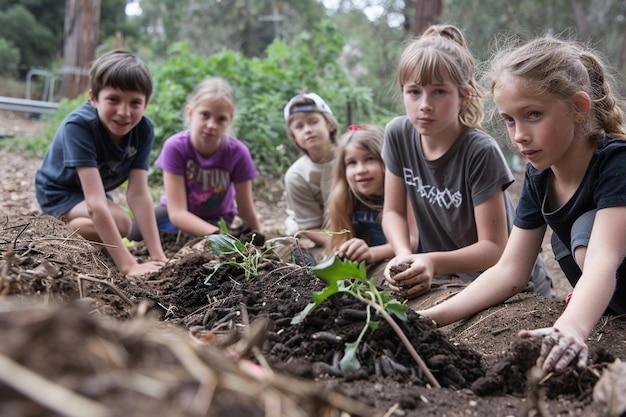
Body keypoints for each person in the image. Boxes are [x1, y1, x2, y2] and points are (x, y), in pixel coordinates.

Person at [418, 36, 626, 373]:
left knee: (583, 229)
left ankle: (583, 313)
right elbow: (510, 270)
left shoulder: (616, 163)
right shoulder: (539, 175)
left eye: (533, 115)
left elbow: (604, 259)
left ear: (579, 107)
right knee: (568, 235)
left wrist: (571, 327)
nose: (519, 135)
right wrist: (427, 318)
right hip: (609, 293)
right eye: (510, 120)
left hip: (610, 273)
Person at [381, 24, 551, 298]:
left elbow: (494, 249)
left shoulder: (479, 151)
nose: (425, 104)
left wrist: (432, 261)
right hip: (444, 279)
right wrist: (403, 255)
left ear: (463, 96)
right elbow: (393, 212)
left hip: (506, 285)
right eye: (414, 91)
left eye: (439, 92)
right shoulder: (398, 134)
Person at [34, 49, 166, 276]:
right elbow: (95, 204)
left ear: (146, 104)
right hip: (59, 191)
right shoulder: (79, 126)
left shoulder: (144, 129)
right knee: (122, 224)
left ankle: (72, 230)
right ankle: (56, 228)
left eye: (135, 103)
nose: (124, 112)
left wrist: (158, 256)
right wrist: (129, 265)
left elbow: (138, 194)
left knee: (122, 225)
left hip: (92, 193)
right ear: (93, 98)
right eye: (113, 99)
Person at [149, 77, 262, 239]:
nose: (211, 125)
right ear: (190, 113)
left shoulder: (238, 153)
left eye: (221, 119)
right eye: (205, 115)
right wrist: (219, 237)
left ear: (230, 121)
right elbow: (177, 212)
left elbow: (245, 210)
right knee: (135, 231)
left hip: (215, 221)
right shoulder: (175, 147)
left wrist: (260, 240)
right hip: (175, 219)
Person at [325, 124, 417, 264]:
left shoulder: (405, 194)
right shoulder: (344, 200)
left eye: (369, 159)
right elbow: (339, 241)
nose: (360, 170)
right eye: (352, 163)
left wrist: (371, 253)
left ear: (387, 161)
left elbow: (413, 240)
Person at [283, 92, 339, 247]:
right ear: (294, 137)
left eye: (314, 122)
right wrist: (339, 245)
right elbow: (312, 227)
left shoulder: (353, 156)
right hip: (328, 232)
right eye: (299, 127)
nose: (307, 129)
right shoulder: (296, 175)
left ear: (329, 124)